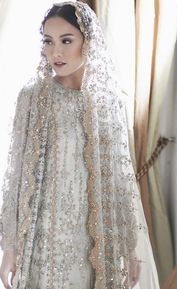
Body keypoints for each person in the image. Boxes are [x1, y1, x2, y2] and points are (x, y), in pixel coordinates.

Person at [0, 1, 160, 288]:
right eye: (48, 41)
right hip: (44, 239)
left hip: (93, 238)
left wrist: (131, 244)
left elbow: (122, 180)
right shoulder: (33, 98)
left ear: (89, 41)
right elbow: (15, 179)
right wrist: (10, 248)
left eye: (66, 40)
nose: (55, 52)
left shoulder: (108, 103)